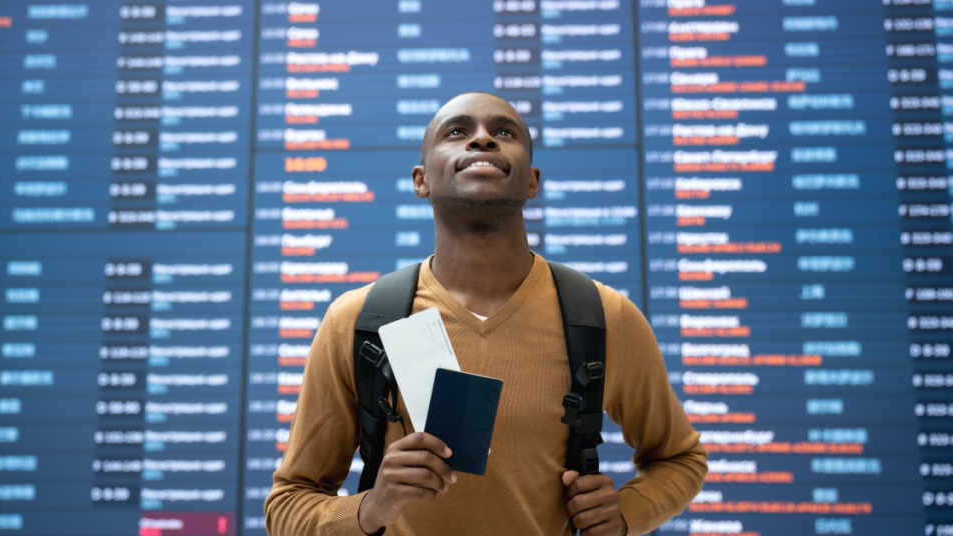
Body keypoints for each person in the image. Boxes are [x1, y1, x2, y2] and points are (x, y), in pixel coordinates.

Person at [265, 92, 707, 536]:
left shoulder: (603, 317)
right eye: (457, 132)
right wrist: (369, 510)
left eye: (503, 133)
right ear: (421, 181)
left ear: (532, 182)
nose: (482, 140)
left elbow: (681, 459)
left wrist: (628, 513)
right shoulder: (359, 322)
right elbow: (287, 505)